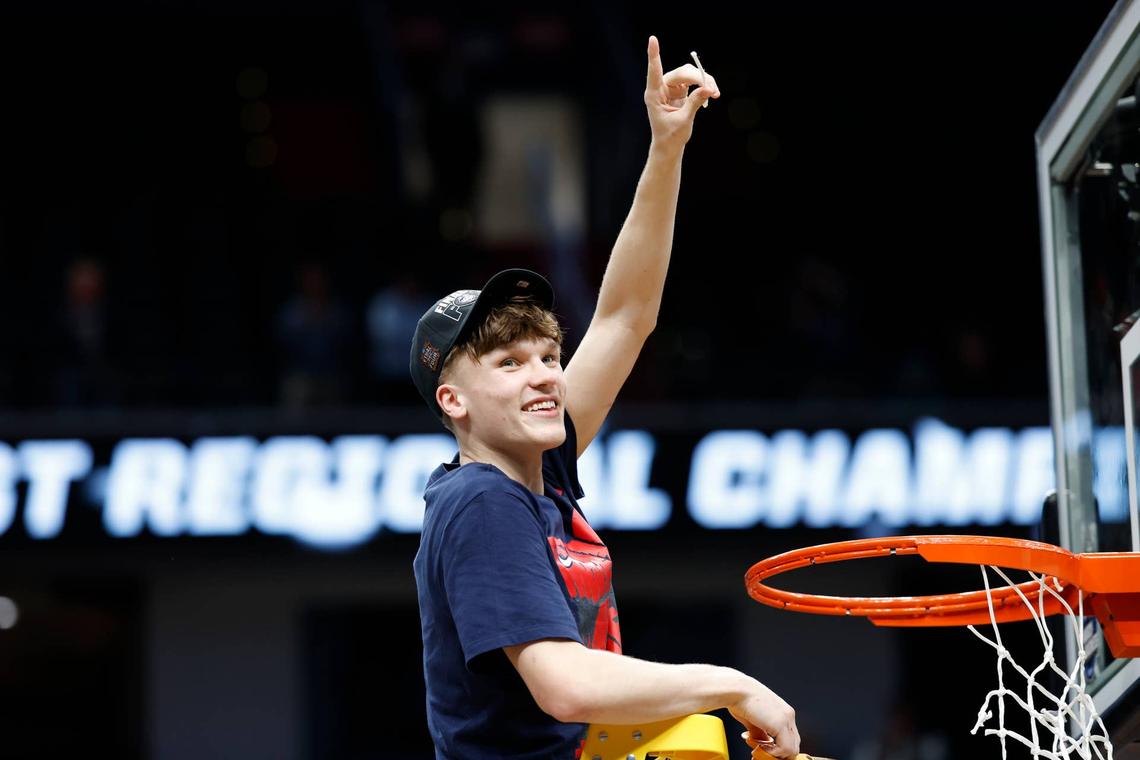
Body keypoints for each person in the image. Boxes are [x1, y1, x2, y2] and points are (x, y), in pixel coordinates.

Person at [410, 36, 800, 760]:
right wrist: (731, 683)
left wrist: (665, 149)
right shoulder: (482, 501)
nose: (545, 375)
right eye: (509, 363)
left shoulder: (538, 475)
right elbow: (564, 686)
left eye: (550, 356)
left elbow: (625, 315)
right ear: (454, 402)